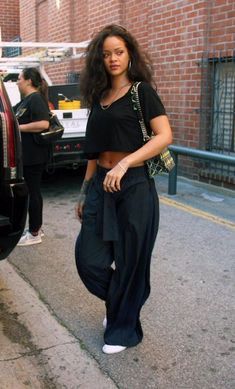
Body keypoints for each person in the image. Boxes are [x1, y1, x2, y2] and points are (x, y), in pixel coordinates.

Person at [75, 24, 173, 354]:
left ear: (129, 53)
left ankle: (122, 329)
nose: (113, 59)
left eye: (119, 52)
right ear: (98, 61)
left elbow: (164, 136)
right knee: (88, 260)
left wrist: (124, 163)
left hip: (134, 186)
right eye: (106, 54)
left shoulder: (141, 91)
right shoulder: (99, 97)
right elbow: (94, 151)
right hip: (101, 187)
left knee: (131, 262)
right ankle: (122, 306)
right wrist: (85, 190)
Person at [14, 68, 50, 246]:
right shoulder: (26, 101)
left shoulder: (35, 98)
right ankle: (36, 229)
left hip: (34, 156)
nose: (17, 82)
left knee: (33, 193)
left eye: (19, 78)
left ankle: (34, 232)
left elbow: (44, 124)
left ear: (28, 81)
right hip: (28, 156)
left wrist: (18, 128)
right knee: (32, 192)